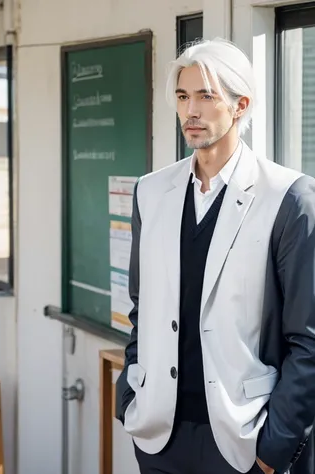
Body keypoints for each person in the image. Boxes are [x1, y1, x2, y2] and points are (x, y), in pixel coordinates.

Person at [115, 38, 315, 474]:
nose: (191, 111)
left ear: (240, 105)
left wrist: (274, 447)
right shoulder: (150, 192)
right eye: (184, 97)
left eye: (207, 96)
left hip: (245, 440)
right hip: (158, 437)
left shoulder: (288, 197)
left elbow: (309, 339)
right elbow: (140, 308)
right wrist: (130, 398)